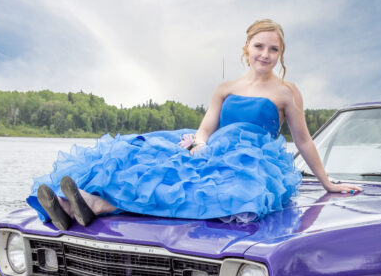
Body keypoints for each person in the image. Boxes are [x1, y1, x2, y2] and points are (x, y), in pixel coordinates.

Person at [30, 19, 359, 230]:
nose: (265, 54)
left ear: (280, 54)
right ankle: (70, 202)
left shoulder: (286, 93)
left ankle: (99, 205)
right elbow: (206, 127)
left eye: (274, 49)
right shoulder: (225, 88)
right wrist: (200, 143)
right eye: (259, 46)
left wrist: (327, 183)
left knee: (191, 189)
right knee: (144, 153)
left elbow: (303, 141)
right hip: (214, 147)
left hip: (251, 159)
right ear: (247, 49)